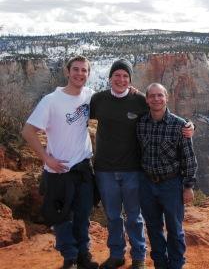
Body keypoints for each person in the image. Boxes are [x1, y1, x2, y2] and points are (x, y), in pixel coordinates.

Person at [90, 60, 194, 269]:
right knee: (115, 217)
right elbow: (79, 119)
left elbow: (187, 154)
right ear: (110, 78)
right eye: (117, 75)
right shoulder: (98, 100)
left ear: (130, 80)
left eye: (125, 76)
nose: (120, 79)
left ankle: (143, 258)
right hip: (108, 170)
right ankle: (119, 255)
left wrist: (190, 126)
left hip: (139, 173)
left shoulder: (143, 103)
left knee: (138, 218)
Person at [21, 55, 98, 269]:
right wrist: (46, 158)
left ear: (88, 74)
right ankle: (70, 258)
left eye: (84, 70)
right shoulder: (51, 100)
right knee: (61, 217)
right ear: (67, 71)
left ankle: (83, 255)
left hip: (83, 167)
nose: (80, 74)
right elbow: (28, 131)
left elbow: (117, 99)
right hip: (58, 171)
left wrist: (135, 93)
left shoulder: (90, 96)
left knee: (83, 215)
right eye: (76, 69)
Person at [137, 83, 198, 269]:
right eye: (152, 96)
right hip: (147, 184)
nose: (156, 99)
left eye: (160, 96)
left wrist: (188, 187)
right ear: (146, 100)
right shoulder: (140, 124)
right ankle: (160, 264)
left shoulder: (180, 125)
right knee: (153, 228)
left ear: (167, 98)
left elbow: (189, 158)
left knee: (175, 229)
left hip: (171, 184)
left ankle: (177, 264)